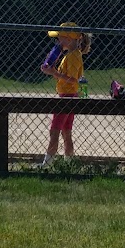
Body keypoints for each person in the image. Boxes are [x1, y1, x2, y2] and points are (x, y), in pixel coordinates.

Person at [41, 21, 89, 165]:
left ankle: (47, 164)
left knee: (54, 131)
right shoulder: (71, 55)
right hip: (69, 96)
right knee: (66, 132)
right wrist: (54, 69)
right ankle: (70, 163)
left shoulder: (73, 56)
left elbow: (74, 80)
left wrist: (53, 72)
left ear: (68, 39)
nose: (57, 41)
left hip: (67, 98)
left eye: (60, 37)